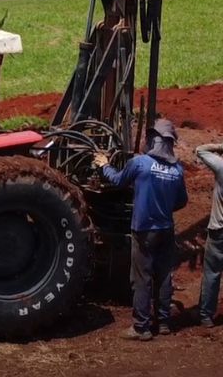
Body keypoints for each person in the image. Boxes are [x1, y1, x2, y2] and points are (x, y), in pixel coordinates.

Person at [94, 118, 188, 341]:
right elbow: (182, 201)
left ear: (152, 140)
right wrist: (164, 205)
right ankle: (164, 322)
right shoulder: (177, 170)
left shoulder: (140, 163)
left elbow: (117, 181)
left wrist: (103, 165)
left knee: (142, 277)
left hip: (144, 230)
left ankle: (141, 327)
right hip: (166, 228)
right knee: (164, 275)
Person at [195, 142, 223, 328]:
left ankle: (206, 315)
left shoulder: (221, 167)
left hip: (218, 229)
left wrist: (220, 146)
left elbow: (200, 150)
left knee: (212, 273)